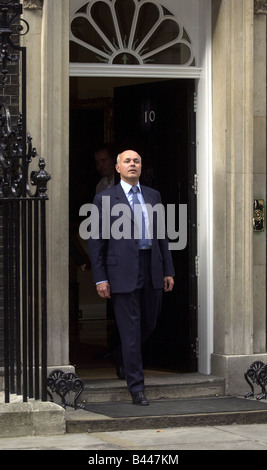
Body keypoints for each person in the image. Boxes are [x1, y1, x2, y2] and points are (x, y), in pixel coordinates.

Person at [88, 150, 174, 406]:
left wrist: (168, 269)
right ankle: (136, 387)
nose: (133, 164)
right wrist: (100, 278)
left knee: (148, 323)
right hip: (121, 271)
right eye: (127, 161)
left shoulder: (153, 195)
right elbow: (96, 242)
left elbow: (162, 236)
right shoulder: (104, 199)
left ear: (141, 166)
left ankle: (120, 354)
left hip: (152, 266)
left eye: (136, 160)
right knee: (129, 329)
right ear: (118, 168)